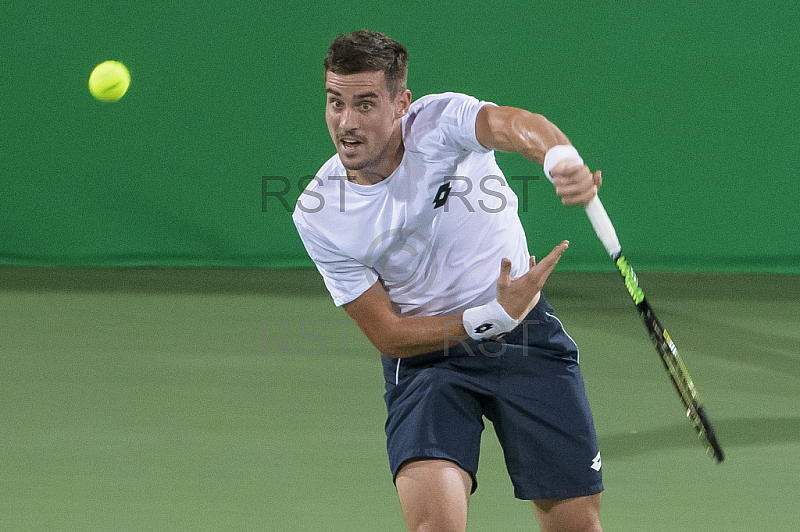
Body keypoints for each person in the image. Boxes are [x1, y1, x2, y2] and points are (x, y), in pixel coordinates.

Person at [292, 30, 604, 532]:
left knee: (577, 528)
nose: (346, 123)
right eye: (335, 103)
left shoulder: (440, 122)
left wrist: (559, 160)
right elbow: (388, 334)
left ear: (401, 104)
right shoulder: (319, 213)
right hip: (427, 359)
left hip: (527, 337)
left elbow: (513, 125)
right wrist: (491, 316)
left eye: (365, 104)